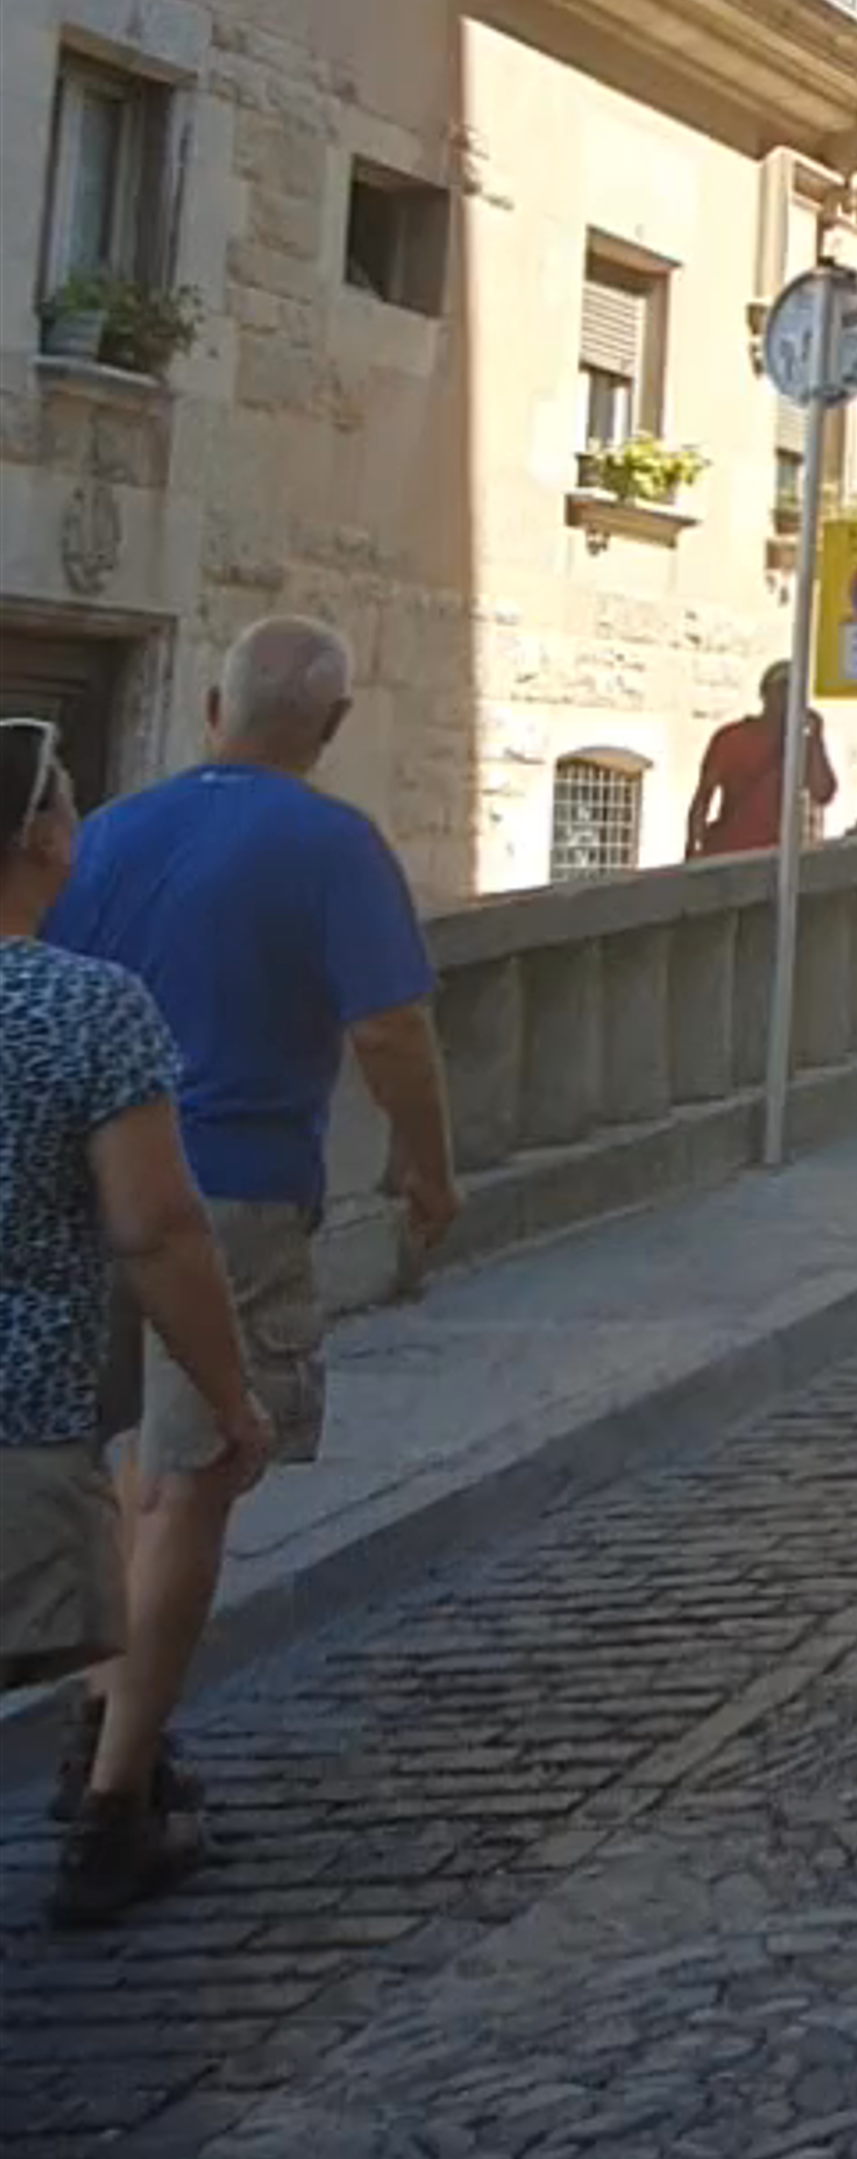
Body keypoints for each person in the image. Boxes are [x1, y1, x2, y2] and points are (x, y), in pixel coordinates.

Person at [60, 618, 457, 1836]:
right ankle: (116, 1801)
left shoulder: (109, 829)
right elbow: (390, 1028)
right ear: (331, 727)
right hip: (229, 1190)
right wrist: (425, 1167)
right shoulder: (334, 843)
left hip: (80, 1182)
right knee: (193, 1479)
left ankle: (106, 1715)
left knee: (120, 1470)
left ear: (211, 708)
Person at [2, 717, 272, 1931]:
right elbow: (158, 1228)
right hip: (21, 1416)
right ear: (42, 837)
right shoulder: (87, 1005)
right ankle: (115, 1807)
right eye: (67, 800)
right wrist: (228, 1396)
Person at [687, 666, 837, 864]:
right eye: (782, 688)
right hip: (731, 852)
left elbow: (823, 792)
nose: (788, 696)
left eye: (795, 689)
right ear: (765, 693)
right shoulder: (731, 738)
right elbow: (703, 797)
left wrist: (816, 737)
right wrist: (694, 848)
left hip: (781, 857)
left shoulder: (802, 745)